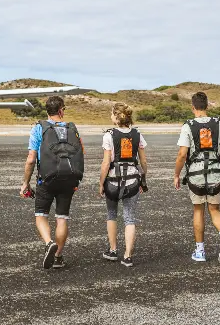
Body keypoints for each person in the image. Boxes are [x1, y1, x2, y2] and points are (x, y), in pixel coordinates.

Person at [20, 96, 85, 270]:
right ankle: (58, 257)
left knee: (41, 215)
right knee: (62, 218)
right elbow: (81, 152)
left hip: (47, 178)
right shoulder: (72, 128)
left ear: (47, 111)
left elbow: (31, 159)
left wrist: (25, 183)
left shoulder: (38, 128)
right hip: (69, 178)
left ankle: (49, 243)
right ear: (61, 110)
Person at [174, 92, 220, 263]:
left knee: (198, 210)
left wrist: (176, 174)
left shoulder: (187, 126)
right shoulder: (219, 124)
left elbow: (182, 154)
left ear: (193, 107)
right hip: (215, 172)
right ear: (207, 106)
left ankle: (200, 251)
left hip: (195, 174)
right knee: (214, 209)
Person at [99, 103, 148, 267]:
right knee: (129, 217)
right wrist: (143, 179)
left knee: (111, 214)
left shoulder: (108, 136)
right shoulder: (137, 135)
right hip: (133, 181)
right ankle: (128, 256)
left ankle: (113, 250)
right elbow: (143, 161)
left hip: (112, 181)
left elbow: (106, 163)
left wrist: (101, 184)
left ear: (116, 117)